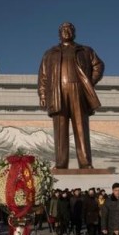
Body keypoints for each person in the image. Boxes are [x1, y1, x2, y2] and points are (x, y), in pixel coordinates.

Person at [38, 22, 104, 169]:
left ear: (74, 33)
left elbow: (98, 65)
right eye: (63, 29)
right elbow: (43, 76)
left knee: (81, 127)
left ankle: (85, 163)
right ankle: (61, 163)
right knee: (60, 129)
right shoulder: (50, 53)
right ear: (59, 33)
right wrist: (42, 95)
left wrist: (89, 82)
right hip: (57, 91)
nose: (66, 32)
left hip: (78, 90)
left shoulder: (85, 50)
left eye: (69, 29)